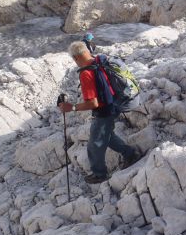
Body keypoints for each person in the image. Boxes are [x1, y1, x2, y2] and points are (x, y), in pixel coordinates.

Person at [58, 41, 141, 183]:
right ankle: (130, 154)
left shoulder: (86, 73)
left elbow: (93, 103)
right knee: (107, 136)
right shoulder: (99, 60)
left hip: (104, 111)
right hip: (114, 104)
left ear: (76, 58)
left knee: (94, 144)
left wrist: (71, 107)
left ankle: (99, 174)